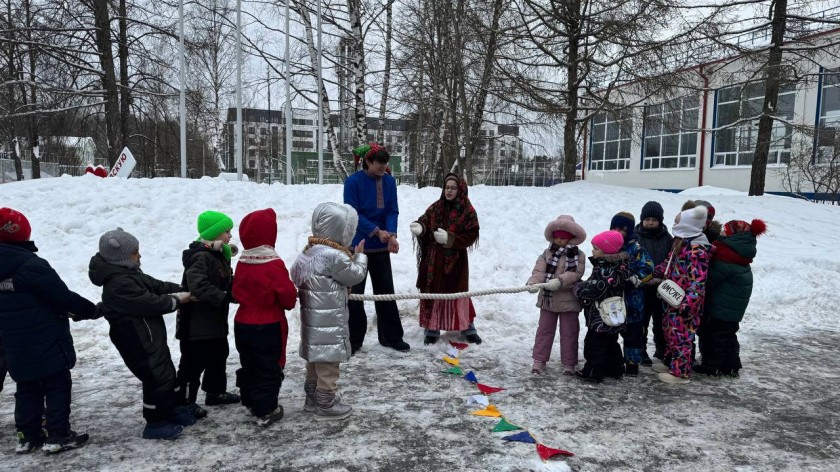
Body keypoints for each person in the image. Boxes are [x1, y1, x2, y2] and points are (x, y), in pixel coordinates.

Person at [0, 208, 99, 454]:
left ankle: (27, 437)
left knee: (26, 388)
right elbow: (63, 297)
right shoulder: (31, 265)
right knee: (57, 385)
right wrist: (92, 310)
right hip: (47, 341)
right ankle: (58, 434)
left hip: (13, 344)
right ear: (23, 233)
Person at [89, 227, 197, 440]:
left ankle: (170, 410)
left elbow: (155, 286)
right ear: (120, 257)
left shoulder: (129, 273)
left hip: (150, 337)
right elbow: (150, 302)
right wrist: (177, 299)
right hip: (137, 340)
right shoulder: (118, 283)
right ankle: (155, 422)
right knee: (156, 378)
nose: (139, 256)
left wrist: (179, 288)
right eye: (135, 252)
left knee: (166, 372)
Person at [291, 202, 368, 420]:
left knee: (314, 361)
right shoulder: (334, 256)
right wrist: (360, 256)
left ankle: (312, 398)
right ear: (340, 230)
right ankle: (326, 403)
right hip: (329, 323)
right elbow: (355, 275)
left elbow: (294, 273)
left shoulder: (309, 251)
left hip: (312, 323)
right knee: (329, 364)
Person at [232, 209, 297, 427]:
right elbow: (287, 296)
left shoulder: (243, 261)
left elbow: (236, 290)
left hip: (242, 322)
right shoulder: (272, 263)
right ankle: (266, 409)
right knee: (268, 367)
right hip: (268, 323)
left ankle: (250, 401)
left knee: (249, 363)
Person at [343, 143, 409, 353]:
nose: (384, 166)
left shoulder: (389, 181)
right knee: (355, 296)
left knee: (386, 293)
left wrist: (391, 235)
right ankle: (353, 340)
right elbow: (353, 214)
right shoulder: (352, 182)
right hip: (358, 246)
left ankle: (391, 337)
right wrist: (376, 231)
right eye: (380, 162)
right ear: (368, 162)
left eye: (385, 162)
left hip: (381, 246)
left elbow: (392, 210)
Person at [176, 211, 240, 412]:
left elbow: (223, 281)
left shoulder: (218, 255)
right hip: (196, 324)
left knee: (218, 355)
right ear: (213, 233)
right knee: (192, 364)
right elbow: (198, 286)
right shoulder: (201, 257)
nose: (230, 235)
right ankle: (184, 403)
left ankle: (215, 392)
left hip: (214, 321)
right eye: (226, 231)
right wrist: (224, 297)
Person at [410, 173, 481, 346]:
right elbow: (425, 220)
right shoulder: (437, 207)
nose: (449, 191)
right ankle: (432, 329)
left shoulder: (467, 210)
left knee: (459, 293)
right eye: (447, 187)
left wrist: (450, 239)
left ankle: (468, 328)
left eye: (453, 188)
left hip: (457, 261)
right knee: (434, 292)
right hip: (435, 260)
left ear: (460, 190)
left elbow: (472, 234)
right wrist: (421, 227)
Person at [696, 219, 766, 378]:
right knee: (729, 335)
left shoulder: (725, 255)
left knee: (716, 336)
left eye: (724, 232)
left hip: (721, 307)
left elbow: (711, 280)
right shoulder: (741, 252)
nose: (721, 234)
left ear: (734, 235)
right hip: (732, 307)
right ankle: (731, 366)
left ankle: (712, 366)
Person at [652, 205, 714, 384]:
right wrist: (656, 271)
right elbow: (669, 262)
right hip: (672, 297)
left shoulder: (697, 250)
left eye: (678, 221)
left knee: (681, 337)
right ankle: (671, 363)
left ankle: (680, 372)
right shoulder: (680, 243)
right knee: (670, 332)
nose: (675, 224)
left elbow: (698, 281)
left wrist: (689, 303)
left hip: (684, 302)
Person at [526, 215, 587, 375]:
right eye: (557, 237)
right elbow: (539, 271)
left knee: (569, 333)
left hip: (569, 300)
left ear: (571, 238)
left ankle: (569, 362)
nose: (559, 240)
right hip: (548, 300)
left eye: (563, 238)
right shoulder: (546, 254)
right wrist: (533, 282)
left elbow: (576, 272)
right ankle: (539, 360)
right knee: (544, 331)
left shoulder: (578, 255)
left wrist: (560, 281)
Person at [574, 230, 630, 384]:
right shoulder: (620, 265)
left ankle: (593, 372)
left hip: (601, 316)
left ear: (607, 250)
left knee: (594, 345)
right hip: (614, 314)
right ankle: (615, 369)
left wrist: (579, 290)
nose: (593, 251)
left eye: (596, 248)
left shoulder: (606, 268)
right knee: (611, 342)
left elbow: (596, 289)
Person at [608, 211, 654, 376]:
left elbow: (648, 268)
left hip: (633, 299)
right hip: (612, 299)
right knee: (610, 331)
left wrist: (635, 280)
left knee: (633, 334)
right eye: (615, 228)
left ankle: (632, 363)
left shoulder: (636, 248)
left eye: (622, 229)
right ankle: (612, 362)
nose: (618, 232)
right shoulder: (608, 246)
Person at [635, 201, 673, 363]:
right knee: (641, 321)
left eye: (654, 220)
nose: (650, 223)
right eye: (647, 219)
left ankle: (662, 349)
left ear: (660, 221)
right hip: (642, 287)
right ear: (642, 219)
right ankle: (641, 351)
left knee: (661, 321)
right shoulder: (636, 237)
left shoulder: (667, 238)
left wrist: (662, 275)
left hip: (661, 287)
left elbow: (671, 258)